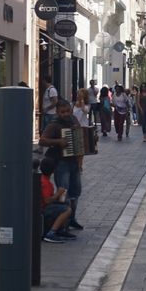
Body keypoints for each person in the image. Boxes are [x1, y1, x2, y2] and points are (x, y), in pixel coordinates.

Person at [39, 100, 85, 231]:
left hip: (74, 161)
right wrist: (59, 141)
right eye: (62, 112)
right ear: (58, 112)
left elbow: (80, 136)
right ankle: (63, 223)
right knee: (63, 191)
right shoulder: (54, 124)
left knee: (75, 192)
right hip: (61, 162)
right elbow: (42, 140)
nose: (66, 114)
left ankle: (72, 219)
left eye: (68, 111)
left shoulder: (74, 119)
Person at [38, 157, 75, 243]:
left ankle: (60, 229)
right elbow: (47, 201)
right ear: (54, 170)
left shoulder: (43, 180)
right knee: (67, 210)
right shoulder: (45, 183)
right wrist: (58, 193)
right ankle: (51, 233)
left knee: (66, 203)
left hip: (44, 207)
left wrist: (59, 198)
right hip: (43, 210)